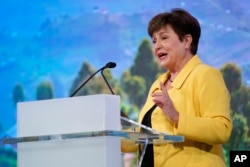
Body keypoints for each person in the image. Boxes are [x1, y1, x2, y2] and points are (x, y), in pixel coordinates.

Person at [122, 8, 233, 167]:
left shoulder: (206, 75)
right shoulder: (157, 84)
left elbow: (222, 130)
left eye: (164, 38)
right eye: (154, 40)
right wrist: (113, 130)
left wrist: (177, 118)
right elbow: (145, 137)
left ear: (187, 41)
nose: (157, 46)